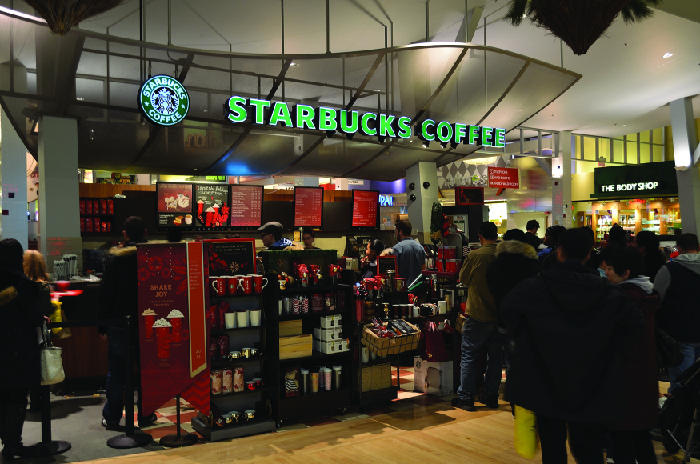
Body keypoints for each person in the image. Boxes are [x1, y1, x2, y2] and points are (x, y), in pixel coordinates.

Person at [501, 228, 644, 463]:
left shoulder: (533, 288)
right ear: (588, 254)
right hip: (591, 381)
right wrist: (607, 349)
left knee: (552, 447)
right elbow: (635, 325)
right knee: (589, 449)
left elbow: (508, 313)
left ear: (559, 252)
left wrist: (532, 339)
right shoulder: (607, 292)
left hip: (544, 379)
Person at [98, 217, 156, 429]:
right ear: (146, 232)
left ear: (125, 234)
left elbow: (106, 292)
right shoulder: (153, 257)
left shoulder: (115, 258)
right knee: (146, 369)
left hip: (119, 321)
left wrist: (102, 323)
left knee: (117, 371)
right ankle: (146, 414)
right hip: (149, 320)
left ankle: (112, 417)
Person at [604, 247, 659, 464]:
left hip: (624, 376)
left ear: (625, 273)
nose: (605, 272)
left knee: (623, 439)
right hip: (643, 374)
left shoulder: (622, 298)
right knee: (641, 436)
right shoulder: (647, 295)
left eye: (609, 268)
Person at [0, 239, 44, 458]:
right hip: (18, 346)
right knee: (18, 395)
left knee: (2, 394)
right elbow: (34, 316)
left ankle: (5, 440)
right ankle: (12, 444)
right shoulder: (21, 283)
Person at [484, 229, 539, 396]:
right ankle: (523, 395)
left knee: (502, 357)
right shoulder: (532, 264)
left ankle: (506, 392)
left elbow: (492, 289)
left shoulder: (494, 265)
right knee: (527, 359)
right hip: (528, 319)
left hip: (502, 318)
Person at [452, 222, 501, 411]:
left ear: (480, 236)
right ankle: (491, 395)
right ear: (496, 235)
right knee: (495, 358)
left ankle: (466, 397)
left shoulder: (475, 255)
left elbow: (463, 279)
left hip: (478, 314)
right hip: (499, 315)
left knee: (469, 356)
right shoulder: (503, 255)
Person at [654, 233, 700, 393]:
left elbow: (657, 298)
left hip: (678, 335)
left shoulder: (669, 270)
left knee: (681, 385)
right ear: (698, 248)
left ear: (678, 249)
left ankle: (679, 416)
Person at [22, 250, 53, 412]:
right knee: (41, 365)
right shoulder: (43, 285)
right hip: (40, 330)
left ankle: (30, 401)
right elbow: (46, 309)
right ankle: (39, 401)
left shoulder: (21, 284)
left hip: (24, 330)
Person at [390, 219, 425, 285]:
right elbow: (423, 270)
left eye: (397, 231)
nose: (396, 234)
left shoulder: (397, 249)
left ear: (401, 231)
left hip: (402, 289)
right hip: (418, 289)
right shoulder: (420, 247)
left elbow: (395, 273)